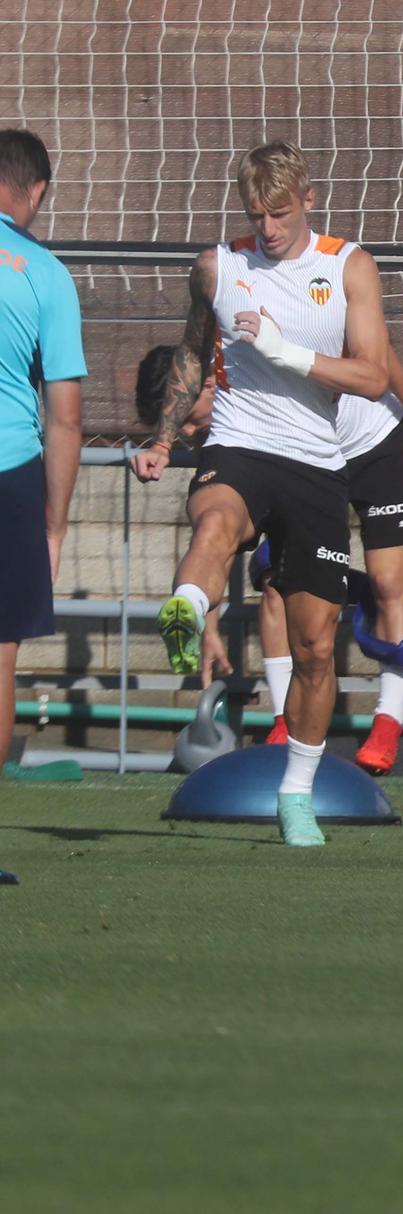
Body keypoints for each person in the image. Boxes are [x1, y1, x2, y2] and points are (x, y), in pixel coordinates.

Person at [130, 140, 391, 846]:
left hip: (315, 461)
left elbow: (373, 377)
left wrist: (289, 354)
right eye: (256, 215)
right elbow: (190, 353)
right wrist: (162, 438)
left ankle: (297, 794)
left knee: (315, 645)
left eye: (279, 213)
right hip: (240, 443)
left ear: (307, 199)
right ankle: (184, 609)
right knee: (214, 522)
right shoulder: (220, 267)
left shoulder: (347, 267)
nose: (268, 229)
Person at [137, 343, 403, 774]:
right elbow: (215, 537)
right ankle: (284, 719)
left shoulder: (283, 321)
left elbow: (373, 348)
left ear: (207, 384)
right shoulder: (227, 418)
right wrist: (207, 622)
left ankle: (387, 724)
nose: (188, 434)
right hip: (301, 463)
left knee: (387, 582)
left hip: (372, 443)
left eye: (187, 419)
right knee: (275, 582)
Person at [0, 130, 86, 789]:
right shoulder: (46, 274)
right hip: (11, 473)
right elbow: (65, 417)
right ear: (36, 191)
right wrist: (53, 527)